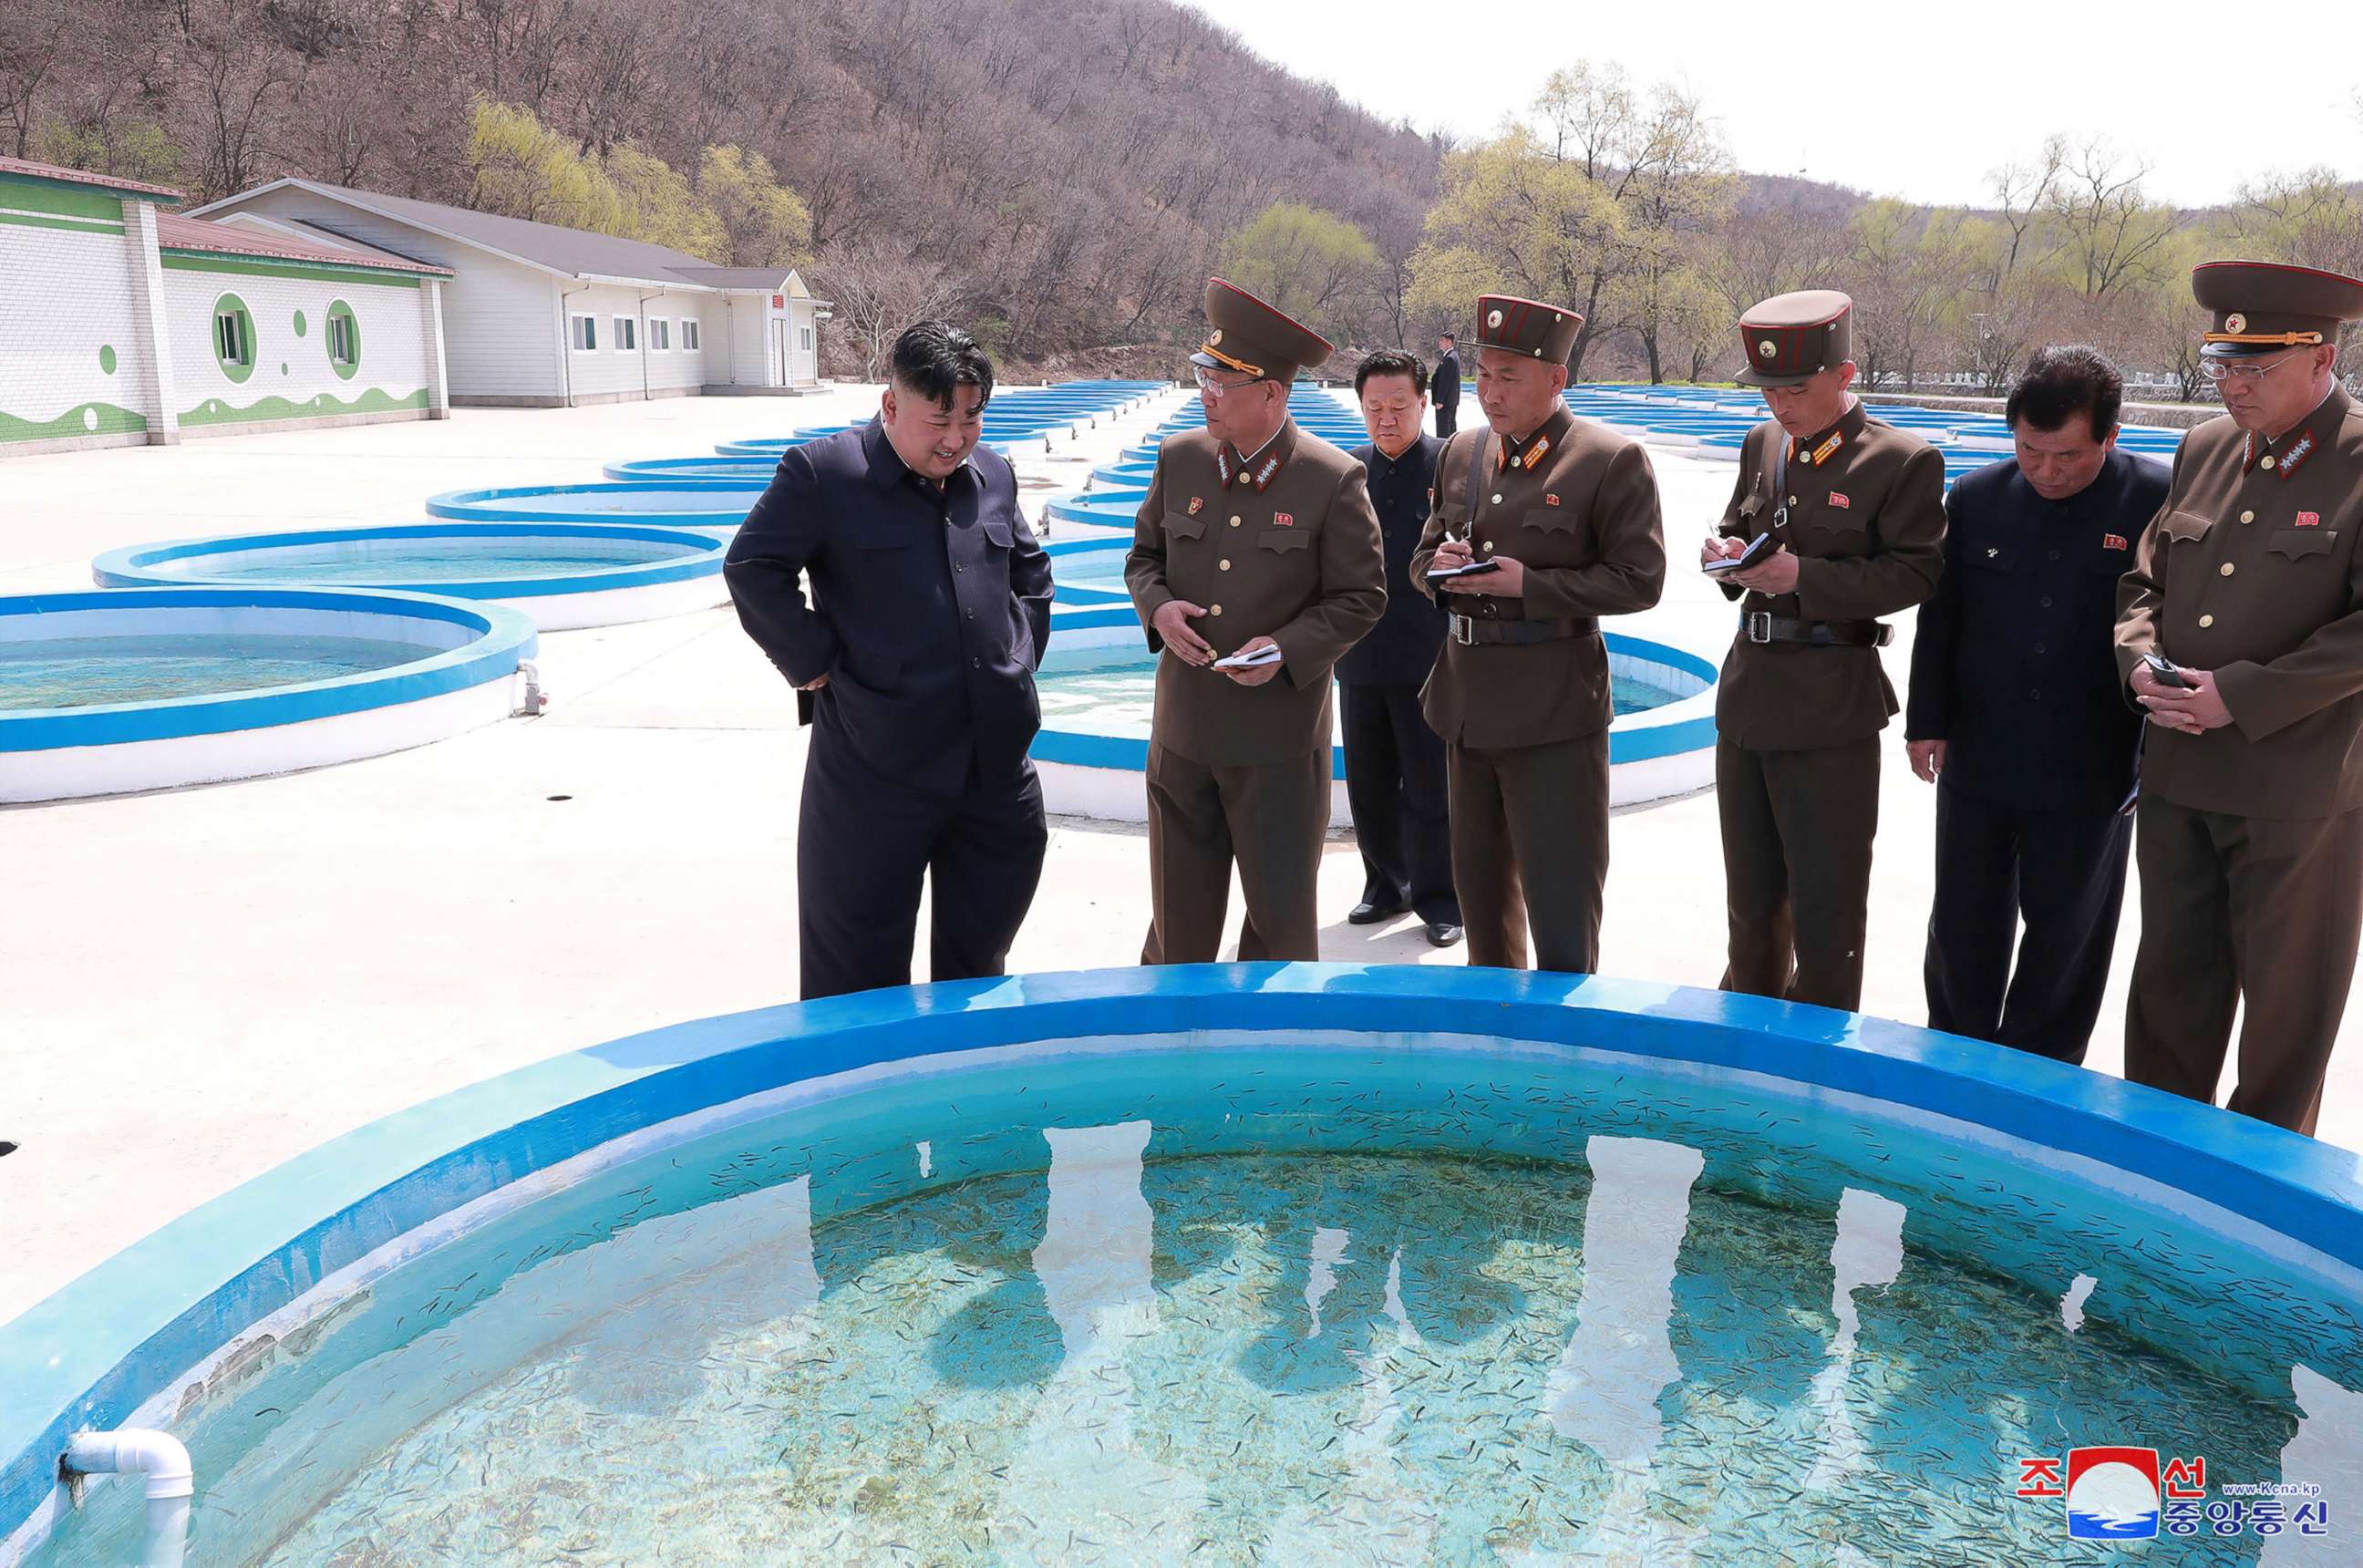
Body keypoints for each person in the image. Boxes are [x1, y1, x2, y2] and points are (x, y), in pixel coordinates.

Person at [724, 321, 1053, 1000]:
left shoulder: (992, 473)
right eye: (939, 421)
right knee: (856, 974)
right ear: (891, 405)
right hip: (877, 770)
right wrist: (815, 663)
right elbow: (752, 566)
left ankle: (962, 1094)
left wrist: (1015, 662)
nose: (956, 439)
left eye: (971, 419)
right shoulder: (825, 473)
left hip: (992, 771)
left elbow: (1031, 571)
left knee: (980, 961)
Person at [2114, 258, 2363, 1135]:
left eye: (2255, 369)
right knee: (2171, 994)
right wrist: (2138, 660)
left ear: (2323, 359)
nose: (2232, 385)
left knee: (2285, 1017)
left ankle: (2252, 1206)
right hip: (2181, 773)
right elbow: (2146, 580)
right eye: (2223, 364)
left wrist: (2245, 696)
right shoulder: (2207, 447)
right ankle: (2156, 1168)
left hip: (2293, 792)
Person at [1905, 346, 2166, 1063]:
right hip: (1980, 751)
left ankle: (2039, 1075)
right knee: (1962, 923)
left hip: (2093, 761)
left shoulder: (2154, 500)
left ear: (2111, 437)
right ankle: (1955, 1059)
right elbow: (1942, 618)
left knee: (2067, 933)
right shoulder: (1978, 498)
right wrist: (1925, 723)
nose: (2047, 471)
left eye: (2068, 456)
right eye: (2030, 451)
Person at [1125, 278, 1387, 964]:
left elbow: (1361, 597)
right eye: (1203, 375)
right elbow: (1143, 559)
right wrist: (1158, 605)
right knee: (1175, 927)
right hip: (1182, 732)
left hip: (1277, 740)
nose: (1206, 392)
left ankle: (1269, 1065)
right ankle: (1175, 1053)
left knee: (1279, 928)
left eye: (1223, 381)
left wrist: (1288, 645)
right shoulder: (1179, 458)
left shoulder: (1332, 479)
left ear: (1273, 391)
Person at [1704, 289, 1945, 1011]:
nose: (1780, 405)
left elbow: (1918, 572)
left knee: (1827, 904)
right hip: (1748, 691)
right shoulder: (1763, 445)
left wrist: (1801, 577)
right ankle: (1748, 1030)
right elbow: (1737, 522)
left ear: (1845, 375)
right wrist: (1726, 554)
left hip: (1830, 703)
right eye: (1769, 390)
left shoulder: (1901, 460)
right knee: (1750, 895)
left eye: (1796, 389)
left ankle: (1818, 1058)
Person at [1409, 294, 1666, 973]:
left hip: (1555, 714)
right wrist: (1437, 570)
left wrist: (1532, 586)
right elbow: (1422, 555)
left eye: (1508, 378)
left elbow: (1640, 580)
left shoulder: (1608, 460)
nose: (1489, 394)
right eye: (1483, 376)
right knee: (1483, 911)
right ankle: (1493, 1052)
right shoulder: (1462, 451)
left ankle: (1565, 1066)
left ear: (1557, 379)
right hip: (1467, 705)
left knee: (1561, 915)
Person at [1340, 349, 1461, 947]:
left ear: (1424, 403)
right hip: (1359, 654)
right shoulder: (1349, 469)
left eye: (1397, 407)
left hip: (1430, 654)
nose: (1385, 419)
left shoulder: (1453, 464)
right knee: (1369, 784)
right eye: (1373, 408)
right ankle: (1385, 886)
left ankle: (1442, 899)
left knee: (1431, 785)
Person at [1432, 332, 1461, 438]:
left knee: (1443, 428)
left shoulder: (1449, 358)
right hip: (1450, 400)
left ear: (1449, 342)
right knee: (1450, 427)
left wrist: (1440, 400)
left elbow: (1445, 381)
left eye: (1442, 340)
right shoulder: (1453, 356)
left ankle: (1444, 451)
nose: (1440, 343)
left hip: (1445, 401)